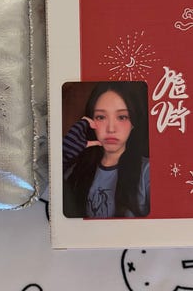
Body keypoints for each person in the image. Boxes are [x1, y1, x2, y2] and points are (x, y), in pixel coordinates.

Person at [63, 81, 150, 218]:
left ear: (133, 123)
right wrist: (63, 156)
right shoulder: (75, 170)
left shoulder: (148, 171)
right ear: (89, 121)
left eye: (122, 117)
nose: (111, 129)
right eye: (101, 117)